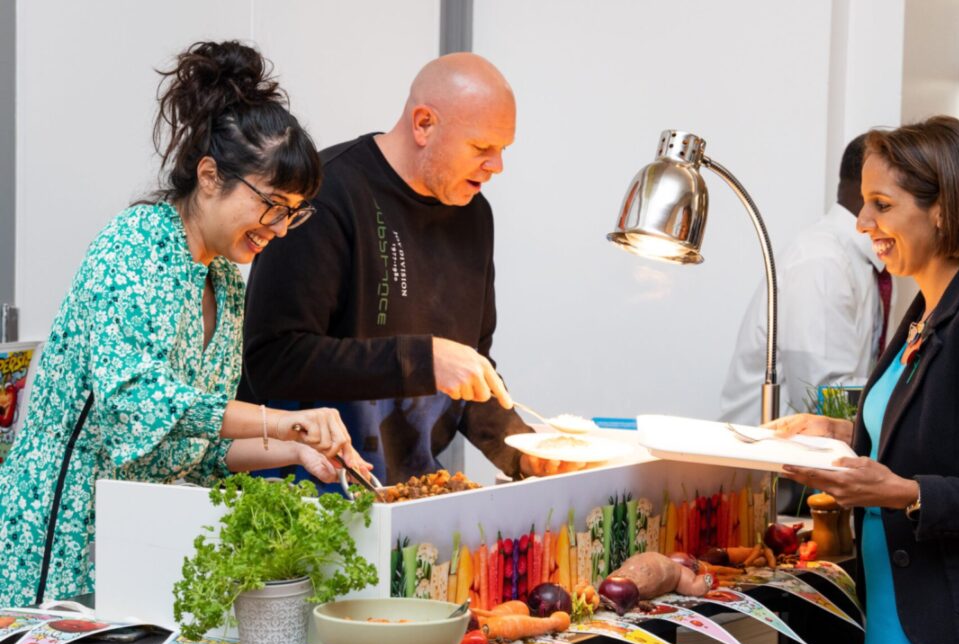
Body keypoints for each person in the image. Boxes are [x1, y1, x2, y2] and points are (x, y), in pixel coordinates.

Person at [0, 41, 371, 614]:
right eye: (272, 204)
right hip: (64, 520)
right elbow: (139, 400)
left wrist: (292, 450)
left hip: (135, 528)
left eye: (294, 212)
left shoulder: (223, 279)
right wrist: (287, 420)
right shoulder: (136, 245)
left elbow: (195, 451)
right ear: (208, 176)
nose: (280, 227)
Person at [770, 116, 959, 644]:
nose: (862, 222)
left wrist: (902, 490)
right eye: (864, 204)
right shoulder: (928, 307)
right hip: (900, 605)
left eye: (881, 204)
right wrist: (840, 432)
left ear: (943, 208)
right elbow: (939, 428)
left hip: (957, 625)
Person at [242, 53, 563, 485]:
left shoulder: (474, 215)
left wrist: (524, 452)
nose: (496, 166)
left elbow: (471, 373)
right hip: (308, 489)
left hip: (408, 493)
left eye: (502, 150)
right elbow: (275, 360)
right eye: (481, 148)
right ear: (424, 124)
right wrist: (422, 359)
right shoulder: (325, 194)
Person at [718, 133, 889, 425]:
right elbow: (823, 398)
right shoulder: (822, 262)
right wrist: (909, 399)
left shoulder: (861, 260)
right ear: (869, 187)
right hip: (764, 462)